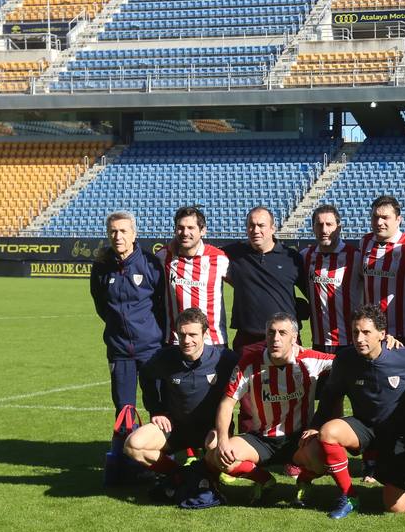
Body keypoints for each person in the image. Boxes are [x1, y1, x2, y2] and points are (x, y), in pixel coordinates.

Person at [307, 304, 405, 518]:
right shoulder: (345, 360)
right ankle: (348, 495)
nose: (359, 339)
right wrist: (315, 426)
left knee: (395, 508)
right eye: (355, 332)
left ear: (382, 334)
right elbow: (330, 396)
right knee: (327, 433)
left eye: (366, 332)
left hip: (398, 436)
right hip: (364, 428)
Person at [206, 313, 335, 506]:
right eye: (271, 333)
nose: (275, 339)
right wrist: (223, 440)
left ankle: (305, 481)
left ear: (294, 338)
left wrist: (385, 346)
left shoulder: (309, 360)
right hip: (261, 439)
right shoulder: (249, 363)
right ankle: (264, 479)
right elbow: (227, 403)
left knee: (327, 455)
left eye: (282, 333)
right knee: (218, 456)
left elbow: (348, 362)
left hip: (298, 439)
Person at [123, 307, 238, 503]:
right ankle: (180, 475)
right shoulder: (166, 357)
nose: (186, 341)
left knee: (216, 446)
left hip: (210, 430)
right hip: (175, 428)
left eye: (193, 335)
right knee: (133, 445)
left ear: (205, 333)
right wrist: (157, 409)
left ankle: (209, 479)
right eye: (182, 335)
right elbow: (146, 375)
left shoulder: (223, 358)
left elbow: (251, 368)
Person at [90, 210, 166, 484]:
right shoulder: (101, 267)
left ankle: (160, 461)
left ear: (134, 234)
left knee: (157, 406)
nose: (118, 236)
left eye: (123, 231)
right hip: (119, 350)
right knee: (123, 409)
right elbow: (102, 305)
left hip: (151, 349)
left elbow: (161, 304)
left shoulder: (149, 264)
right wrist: (119, 331)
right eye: (113, 231)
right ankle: (126, 465)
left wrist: (149, 332)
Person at [224, 205, 307, 350]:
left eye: (261, 225)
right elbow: (203, 252)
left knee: (288, 373)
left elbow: (311, 292)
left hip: (285, 337)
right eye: (251, 225)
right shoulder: (234, 253)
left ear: (273, 228)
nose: (256, 230)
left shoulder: (291, 257)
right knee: (242, 373)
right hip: (248, 339)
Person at [357, 194, 405, 347]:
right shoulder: (365, 242)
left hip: (404, 331)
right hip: (372, 330)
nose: (379, 222)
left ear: (398, 219)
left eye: (385, 217)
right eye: (375, 217)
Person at [161, 205, 230, 347]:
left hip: (212, 343)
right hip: (176, 342)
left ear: (203, 230)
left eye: (191, 228)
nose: (185, 232)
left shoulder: (219, 258)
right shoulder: (164, 256)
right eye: (180, 227)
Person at [301, 204, 359, 351]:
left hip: (350, 341)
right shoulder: (305, 256)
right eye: (319, 225)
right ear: (313, 228)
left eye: (329, 224)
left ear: (338, 227)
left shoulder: (355, 256)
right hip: (318, 341)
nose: (324, 230)